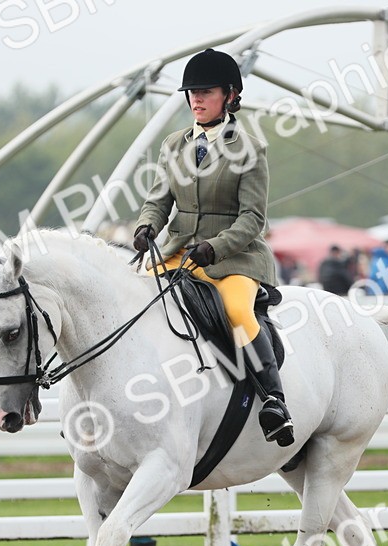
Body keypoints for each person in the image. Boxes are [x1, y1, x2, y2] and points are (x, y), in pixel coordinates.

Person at [132, 48, 293, 447]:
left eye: (205, 91)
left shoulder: (250, 150)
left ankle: (274, 400)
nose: (196, 99)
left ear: (230, 95)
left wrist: (215, 247)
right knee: (134, 297)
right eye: (192, 92)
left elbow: (253, 218)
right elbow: (158, 200)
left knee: (237, 310)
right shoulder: (174, 144)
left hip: (234, 258)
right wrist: (146, 227)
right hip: (179, 252)